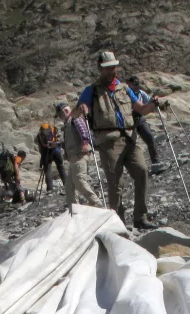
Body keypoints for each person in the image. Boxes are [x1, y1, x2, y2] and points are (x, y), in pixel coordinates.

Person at [69, 51, 167, 229]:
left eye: (113, 67)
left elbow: (141, 109)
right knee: (115, 183)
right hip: (108, 141)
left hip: (130, 137)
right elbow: (76, 114)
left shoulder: (124, 88)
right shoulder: (91, 91)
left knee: (142, 171)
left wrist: (153, 104)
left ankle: (140, 217)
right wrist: (82, 107)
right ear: (100, 68)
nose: (111, 71)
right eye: (107, 68)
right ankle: (118, 222)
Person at [57, 102, 101, 208]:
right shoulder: (67, 124)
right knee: (69, 186)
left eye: (60, 115)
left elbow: (84, 132)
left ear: (66, 111)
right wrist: (58, 144)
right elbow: (71, 141)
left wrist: (85, 143)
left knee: (79, 180)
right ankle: (74, 208)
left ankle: (96, 202)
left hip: (79, 155)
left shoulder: (74, 119)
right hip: (73, 157)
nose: (60, 117)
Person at [127, 76, 164, 173]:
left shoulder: (141, 93)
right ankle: (132, 168)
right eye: (133, 84)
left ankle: (156, 162)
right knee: (130, 144)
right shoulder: (124, 93)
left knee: (150, 138)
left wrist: (153, 101)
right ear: (129, 83)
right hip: (128, 120)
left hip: (139, 118)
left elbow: (147, 103)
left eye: (136, 84)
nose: (135, 86)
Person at [34, 120, 66, 193]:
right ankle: (66, 185)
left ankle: (49, 189)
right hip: (56, 150)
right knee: (61, 167)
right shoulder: (54, 129)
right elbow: (59, 140)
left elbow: (37, 143)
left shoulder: (40, 134)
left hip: (46, 153)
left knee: (48, 170)